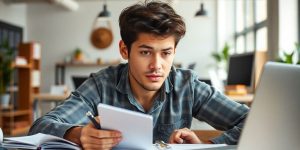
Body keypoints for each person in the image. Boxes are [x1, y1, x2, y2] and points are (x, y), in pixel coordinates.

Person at [29, 1, 249, 149]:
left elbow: (251, 121)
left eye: (166, 53)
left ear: (174, 52)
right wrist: (78, 134)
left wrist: (205, 146)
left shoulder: (187, 85)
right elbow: (41, 126)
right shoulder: (101, 84)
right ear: (125, 50)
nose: (157, 65)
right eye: (145, 52)